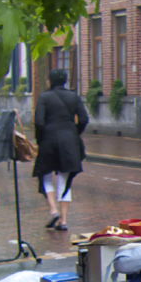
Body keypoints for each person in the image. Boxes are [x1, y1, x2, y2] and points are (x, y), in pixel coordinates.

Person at [31, 68, 90, 232]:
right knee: (65, 179)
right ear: (65, 81)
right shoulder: (74, 96)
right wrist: (74, 132)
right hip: (69, 140)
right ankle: (63, 220)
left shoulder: (44, 97)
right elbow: (84, 119)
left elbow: (39, 122)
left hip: (49, 140)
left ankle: (53, 210)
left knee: (46, 176)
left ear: (50, 81)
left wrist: (39, 139)